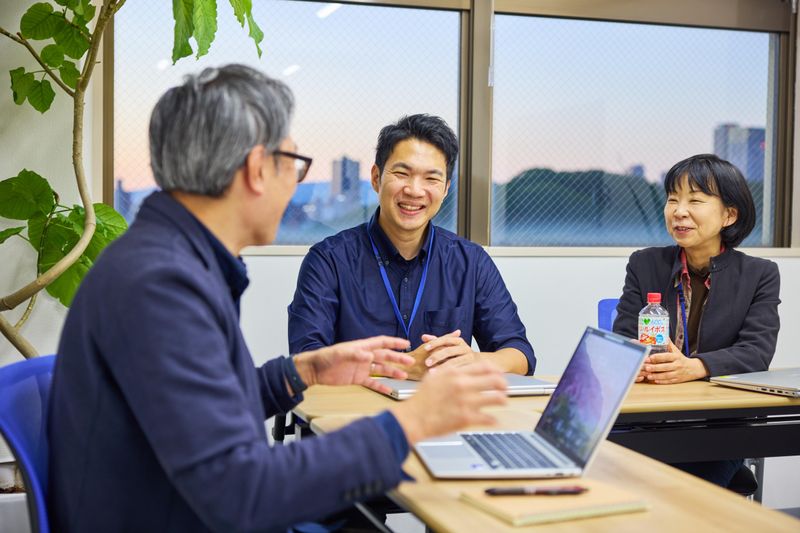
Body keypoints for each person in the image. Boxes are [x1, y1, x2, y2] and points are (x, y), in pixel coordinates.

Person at [48, 65, 508, 532]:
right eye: (293, 163)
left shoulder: (164, 260)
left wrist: (298, 373)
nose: (295, 182)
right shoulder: (162, 286)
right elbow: (245, 495)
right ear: (255, 169)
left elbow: (201, 414)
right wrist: (411, 422)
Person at [288, 114, 535, 379]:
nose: (415, 191)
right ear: (376, 177)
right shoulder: (328, 261)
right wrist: (400, 367)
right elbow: (305, 361)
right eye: (402, 173)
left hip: (443, 415)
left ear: (446, 189)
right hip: (355, 416)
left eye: (431, 179)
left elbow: (520, 354)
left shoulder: (470, 261)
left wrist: (472, 360)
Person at [613, 153, 780, 487]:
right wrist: (635, 356)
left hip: (719, 424)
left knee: (675, 491)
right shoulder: (645, 264)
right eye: (672, 200)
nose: (679, 211)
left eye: (695, 200)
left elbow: (757, 351)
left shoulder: (759, 274)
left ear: (729, 215)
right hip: (650, 416)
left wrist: (696, 366)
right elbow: (622, 338)